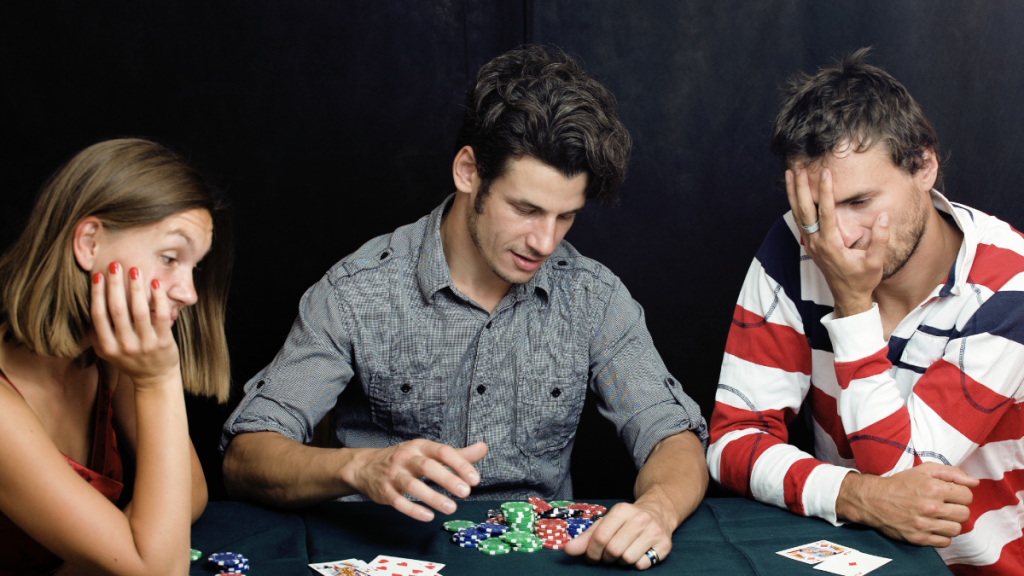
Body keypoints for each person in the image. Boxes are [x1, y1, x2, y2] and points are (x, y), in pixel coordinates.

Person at [221, 45, 708, 570]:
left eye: (565, 216)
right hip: (382, 551)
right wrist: (360, 468)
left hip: (541, 559)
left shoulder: (593, 297)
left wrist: (656, 509)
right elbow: (245, 457)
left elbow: (672, 437)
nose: (545, 242)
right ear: (468, 171)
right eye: (525, 209)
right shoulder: (357, 292)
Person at [707, 48, 1024, 575]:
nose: (839, 236)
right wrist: (852, 496)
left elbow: (903, 479)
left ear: (924, 165)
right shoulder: (797, 242)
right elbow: (733, 442)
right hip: (850, 560)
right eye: (815, 209)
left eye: (858, 202)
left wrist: (853, 304)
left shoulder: (1007, 286)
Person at [0, 138, 233, 575]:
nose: (188, 292)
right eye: (169, 258)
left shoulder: (107, 360)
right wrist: (158, 381)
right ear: (89, 242)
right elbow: (163, 570)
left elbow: (192, 491)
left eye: (194, 267)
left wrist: (121, 549)